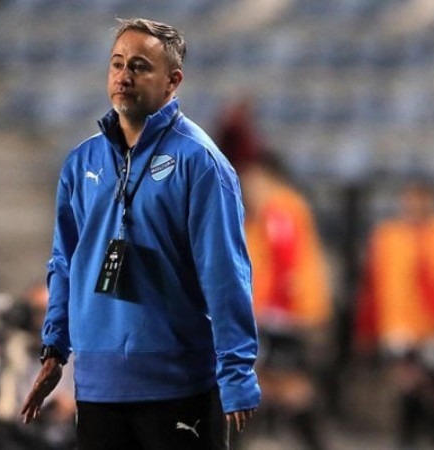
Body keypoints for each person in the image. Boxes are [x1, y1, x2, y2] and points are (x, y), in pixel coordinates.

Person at [20, 17, 261, 450]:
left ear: (173, 81)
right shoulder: (81, 163)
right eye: (116, 64)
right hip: (97, 388)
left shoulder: (200, 162)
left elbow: (226, 273)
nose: (123, 77)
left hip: (178, 384)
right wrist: (55, 347)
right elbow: (64, 261)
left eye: (139, 66)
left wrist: (237, 372)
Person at [239, 152, 332, 450]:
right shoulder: (281, 208)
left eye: (251, 179)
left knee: (288, 385)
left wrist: (267, 310)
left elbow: (284, 263)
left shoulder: (279, 208)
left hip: (282, 314)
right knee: (269, 382)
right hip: (283, 312)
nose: (248, 187)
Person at [355, 181, 434, 448]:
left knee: (433, 388)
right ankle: (408, 438)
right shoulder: (388, 235)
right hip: (399, 325)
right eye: (410, 199)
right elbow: (374, 282)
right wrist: (369, 326)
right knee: (407, 385)